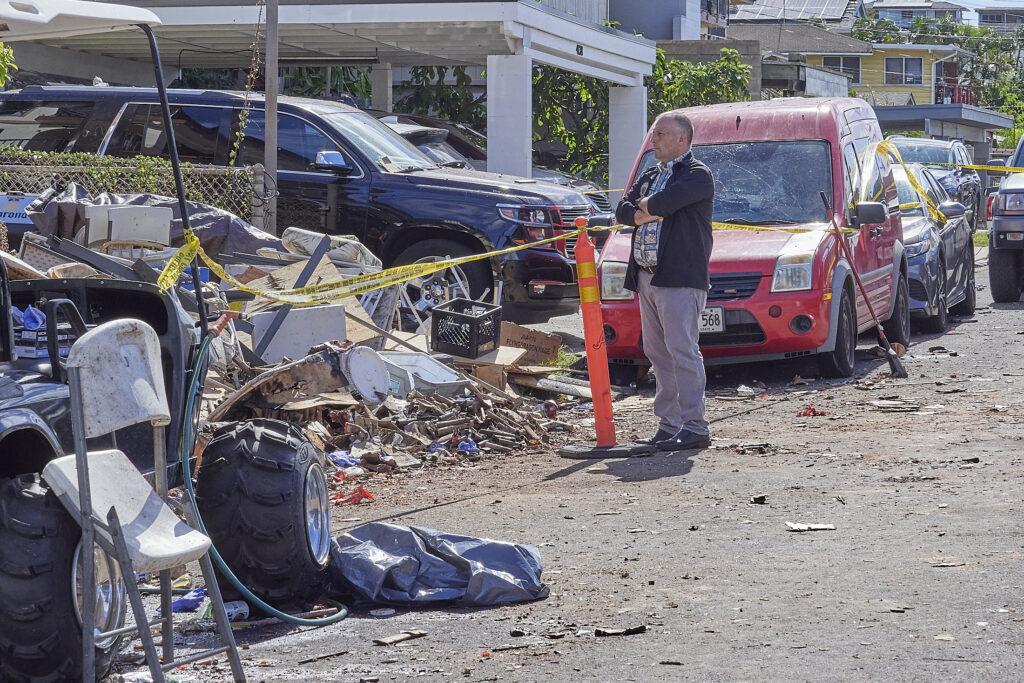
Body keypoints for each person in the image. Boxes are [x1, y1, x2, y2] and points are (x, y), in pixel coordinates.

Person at [615, 110, 715, 451]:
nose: (652, 140)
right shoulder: (651, 172)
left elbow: (664, 203)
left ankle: (695, 426)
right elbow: (623, 209)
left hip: (679, 278)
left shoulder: (698, 175)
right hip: (647, 277)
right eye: (653, 134)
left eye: (659, 134)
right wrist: (646, 210)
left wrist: (647, 207)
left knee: (682, 351)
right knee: (657, 353)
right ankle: (669, 424)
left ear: (681, 140)